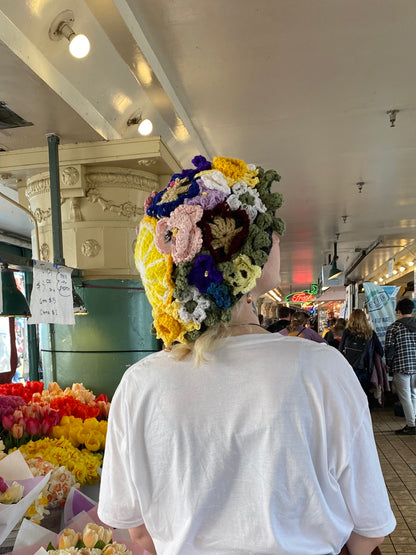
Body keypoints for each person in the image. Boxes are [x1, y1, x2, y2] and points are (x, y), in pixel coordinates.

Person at [98, 155, 395, 555]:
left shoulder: (139, 384)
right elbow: (370, 529)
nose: (276, 238)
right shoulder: (320, 367)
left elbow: (136, 533)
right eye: (266, 230)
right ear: (243, 256)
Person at [385, 298, 416, 435]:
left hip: (401, 366)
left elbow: (389, 349)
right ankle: (413, 421)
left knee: (405, 397)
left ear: (398, 311)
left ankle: (411, 424)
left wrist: (389, 364)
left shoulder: (394, 327)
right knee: (414, 394)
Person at [339, 309, 383, 396]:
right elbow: (380, 352)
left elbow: (340, 349)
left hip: (349, 368)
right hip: (365, 367)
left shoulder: (347, 332)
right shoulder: (371, 333)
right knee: (364, 393)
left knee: (350, 393)